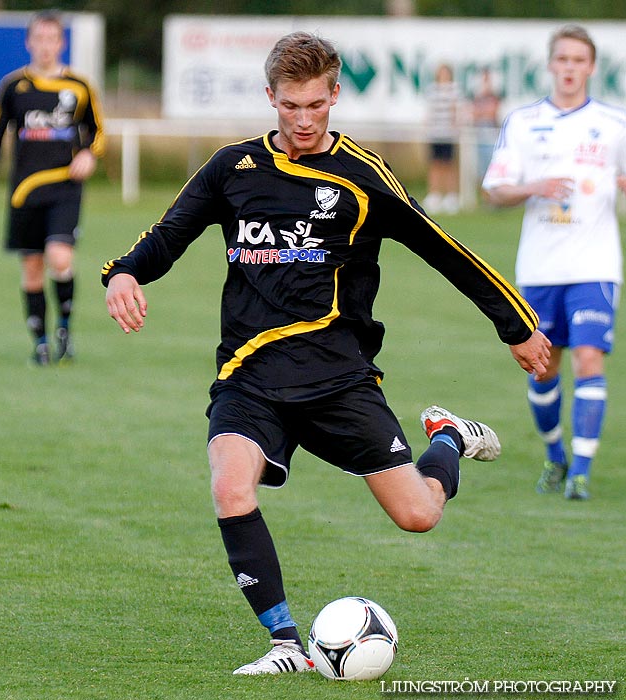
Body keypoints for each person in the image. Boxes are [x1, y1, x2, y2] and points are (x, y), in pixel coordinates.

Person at [103, 31, 550, 675]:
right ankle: (287, 646)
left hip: (338, 379)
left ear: (334, 95)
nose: (305, 119)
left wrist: (517, 326)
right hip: (249, 375)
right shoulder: (233, 168)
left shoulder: (362, 176)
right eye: (291, 106)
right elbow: (169, 233)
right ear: (271, 98)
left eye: (316, 104)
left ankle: (448, 438)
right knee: (231, 489)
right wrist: (124, 273)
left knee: (418, 515)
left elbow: (443, 247)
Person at [482, 24, 626, 501]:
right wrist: (533, 187)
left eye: (578, 61)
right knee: (544, 370)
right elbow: (494, 191)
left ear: (591, 67)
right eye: (561, 59)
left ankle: (581, 472)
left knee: (589, 359)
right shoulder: (524, 122)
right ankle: (555, 456)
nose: (569, 68)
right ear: (550, 65)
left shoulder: (613, 124)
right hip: (540, 269)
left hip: (595, 267)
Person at [0, 9, 106, 366]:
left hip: (65, 187)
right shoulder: (14, 86)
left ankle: (64, 328)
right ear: (29, 42)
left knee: (60, 259)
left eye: (53, 39)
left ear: (62, 43)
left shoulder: (79, 87)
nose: (46, 46)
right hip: (24, 190)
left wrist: (90, 155)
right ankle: (40, 342)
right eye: (39, 39)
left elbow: (98, 131)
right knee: (32, 268)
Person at [423, 63, 462, 215]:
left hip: (448, 134)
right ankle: (435, 194)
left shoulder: (454, 90)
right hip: (435, 133)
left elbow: (456, 111)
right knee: (435, 164)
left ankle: (451, 195)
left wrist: (455, 127)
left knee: (448, 164)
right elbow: (429, 111)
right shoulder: (432, 90)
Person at [471, 66, 502, 186]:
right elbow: (474, 113)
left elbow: (492, 113)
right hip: (480, 134)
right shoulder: (477, 96)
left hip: (491, 135)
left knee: (492, 165)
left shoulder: (495, 96)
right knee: (481, 166)